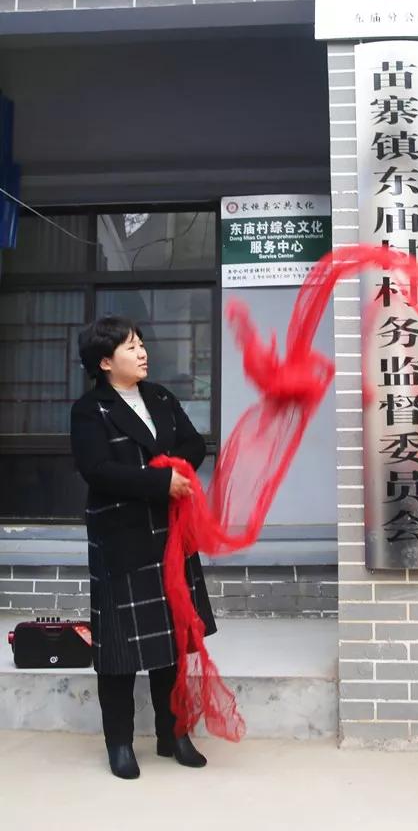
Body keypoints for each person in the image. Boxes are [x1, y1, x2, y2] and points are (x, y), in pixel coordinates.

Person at [71, 316, 217, 780]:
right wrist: (160, 481)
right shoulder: (90, 409)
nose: (142, 352)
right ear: (105, 361)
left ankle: (174, 734)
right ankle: (119, 743)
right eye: (131, 347)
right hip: (122, 537)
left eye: (141, 344)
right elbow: (96, 469)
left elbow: (195, 443)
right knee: (119, 648)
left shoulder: (160, 397)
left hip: (170, 533)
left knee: (171, 642)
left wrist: (176, 468)